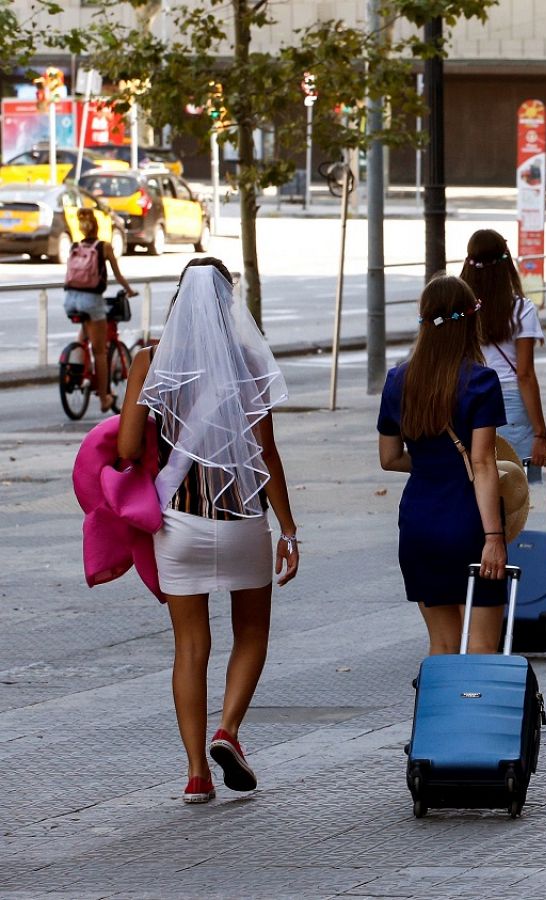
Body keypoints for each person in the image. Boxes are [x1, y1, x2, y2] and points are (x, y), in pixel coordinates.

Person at [116, 258, 299, 805]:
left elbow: (127, 450)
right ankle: (229, 730)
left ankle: (196, 774)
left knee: (190, 647)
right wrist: (288, 529)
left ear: (178, 301)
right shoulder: (245, 362)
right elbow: (266, 453)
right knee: (252, 634)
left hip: (181, 523)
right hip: (242, 520)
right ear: (228, 305)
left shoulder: (150, 362)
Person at [378, 276, 511, 655]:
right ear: (471, 321)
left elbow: (389, 458)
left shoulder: (397, 380)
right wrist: (494, 538)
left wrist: (430, 461)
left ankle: (438, 714)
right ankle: (476, 715)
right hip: (467, 520)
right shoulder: (481, 382)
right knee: (483, 645)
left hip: (419, 521)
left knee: (442, 643)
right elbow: (484, 462)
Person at [460, 230, 546, 479]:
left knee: (471, 484)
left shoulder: (458, 309)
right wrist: (541, 433)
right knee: (513, 494)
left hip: (466, 398)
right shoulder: (521, 309)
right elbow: (525, 375)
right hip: (509, 402)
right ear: (507, 263)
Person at [63, 208, 136, 413]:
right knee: (100, 351)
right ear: (97, 225)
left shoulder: (74, 247)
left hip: (70, 299)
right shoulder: (104, 247)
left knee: (84, 335)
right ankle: (104, 397)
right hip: (91, 300)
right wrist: (130, 290)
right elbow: (118, 276)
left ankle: (77, 364)